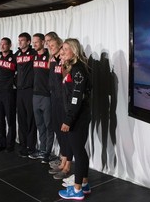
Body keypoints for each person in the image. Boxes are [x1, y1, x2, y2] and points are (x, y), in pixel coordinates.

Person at [58, 38, 92, 200]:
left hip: (78, 117)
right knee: (80, 151)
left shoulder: (78, 70)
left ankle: (77, 190)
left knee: (78, 152)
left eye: (65, 49)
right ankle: (84, 183)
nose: (62, 52)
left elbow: (76, 98)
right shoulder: (72, 68)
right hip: (76, 115)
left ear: (74, 50)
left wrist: (68, 120)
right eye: (62, 49)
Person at [47, 36, 72, 180]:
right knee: (57, 129)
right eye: (49, 45)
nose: (50, 47)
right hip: (54, 99)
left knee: (65, 133)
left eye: (52, 44)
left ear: (60, 44)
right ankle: (63, 160)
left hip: (63, 101)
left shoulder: (64, 61)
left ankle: (67, 165)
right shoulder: (52, 59)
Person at [28, 33, 54, 163]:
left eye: (36, 42)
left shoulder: (50, 55)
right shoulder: (32, 56)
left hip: (47, 96)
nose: (34, 44)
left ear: (43, 42)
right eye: (33, 42)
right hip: (35, 95)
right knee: (40, 125)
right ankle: (42, 149)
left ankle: (47, 152)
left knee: (49, 125)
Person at [15, 32, 38, 157]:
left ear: (28, 42)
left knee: (31, 119)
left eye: (22, 40)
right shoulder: (17, 54)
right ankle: (23, 145)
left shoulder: (34, 53)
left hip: (30, 90)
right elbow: (1, 57)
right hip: (19, 91)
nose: (20, 42)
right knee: (21, 118)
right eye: (19, 40)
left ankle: (31, 146)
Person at [0, 37, 17, 152]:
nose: (2, 46)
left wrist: (13, 84)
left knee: (10, 120)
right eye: (0, 44)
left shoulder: (14, 58)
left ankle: (10, 144)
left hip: (8, 93)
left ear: (9, 45)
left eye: (4, 44)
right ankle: (1, 143)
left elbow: (21, 72)